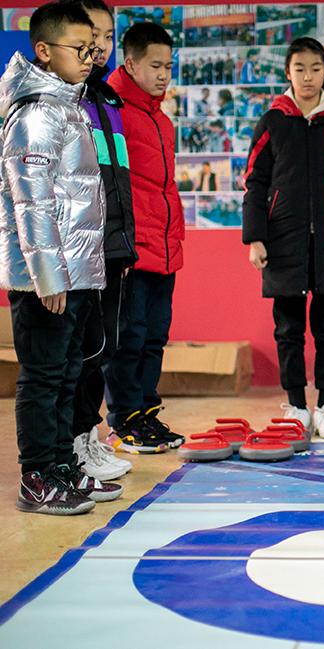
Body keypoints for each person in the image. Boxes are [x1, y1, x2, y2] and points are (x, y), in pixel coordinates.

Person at [1, 1, 122, 514]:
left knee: (69, 374)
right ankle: (38, 476)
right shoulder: (33, 113)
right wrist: (48, 277)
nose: (92, 56)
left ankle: (61, 467)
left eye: (94, 47)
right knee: (44, 378)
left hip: (76, 274)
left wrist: (85, 275)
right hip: (43, 282)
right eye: (81, 47)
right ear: (44, 51)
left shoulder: (70, 105)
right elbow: (32, 200)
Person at [243, 37, 324, 438]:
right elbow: (255, 182)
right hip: (282, 241)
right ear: (288, 72)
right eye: (300, 68)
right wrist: (256, 238)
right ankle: (296, 405)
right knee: (288, 330)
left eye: (316, 68)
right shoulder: (273, 119)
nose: (308, 76)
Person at [65, 0, 138, 482]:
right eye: (92, 35)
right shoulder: (60, 99)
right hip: (75, 251)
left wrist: (125, 242)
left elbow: (118, 181)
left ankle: (90, 438)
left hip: (111, 247)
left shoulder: (107, 100)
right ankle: (71, 446)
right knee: (76, 353)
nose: (100, 46)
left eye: (109, 36)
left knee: (101, 348)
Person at [105, 22, 185, 453]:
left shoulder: (162, 120)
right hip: (132, 251)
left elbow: (165, 188)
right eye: (155, 65)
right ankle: (125, 418)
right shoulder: (111, 112)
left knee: (155, 337)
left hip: (166, 249)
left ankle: (147, 413)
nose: (162, 74)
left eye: (168, 66)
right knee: (128, 338)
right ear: (130, 63)